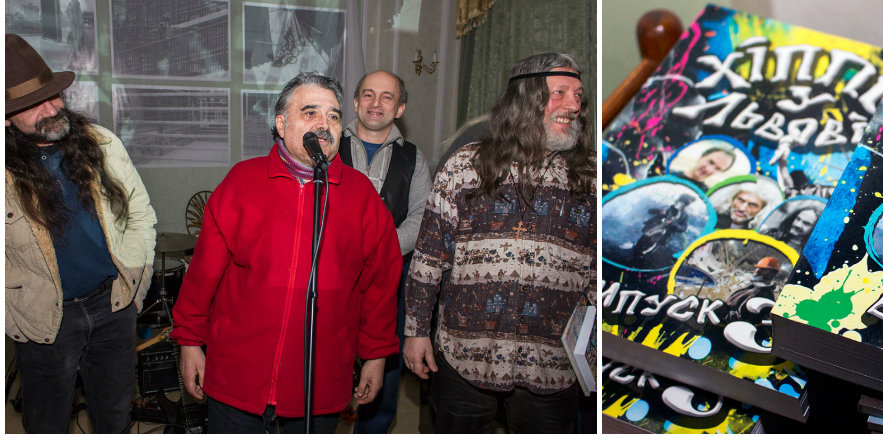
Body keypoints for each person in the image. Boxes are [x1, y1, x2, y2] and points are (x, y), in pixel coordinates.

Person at [172, 72, 401, 432]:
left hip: (319, 382)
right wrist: (189, 341)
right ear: (281, 124)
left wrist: (375, 355)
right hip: (238, 375)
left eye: (333, 115)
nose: (324, 124)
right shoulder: (242, 182)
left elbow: (381, 285)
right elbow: (203, 274)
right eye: (310, 113)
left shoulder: (361, 198)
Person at [403, 53, 595, 432]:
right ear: (527, 98)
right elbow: (429, 257)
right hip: (466, 354)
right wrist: (416, 331)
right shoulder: (466, 166)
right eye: (560, 92)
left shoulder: (591, 175)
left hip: (552, 364)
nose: (573, 105)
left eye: (578, 95)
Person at [4, 34, 157, 433]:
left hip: (114, 303)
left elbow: (141, 213)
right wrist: (13, 313)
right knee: (47, 424)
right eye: (33, 105)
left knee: (115, 419)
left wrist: (136, 286)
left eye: (53, 96)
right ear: (5, 118)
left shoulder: (100, 143)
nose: (51, 109)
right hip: (45, 321)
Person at [338, 70, 432, 433]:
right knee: (325, 366)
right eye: (368, 94)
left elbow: (422, 216)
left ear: (400, 108)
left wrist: (381, 248)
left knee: (383, 371)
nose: (376, 103)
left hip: (392, 280)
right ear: (356, 101)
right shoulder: (328, 147)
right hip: (333, 275)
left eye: (387, 97)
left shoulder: (414, 158)